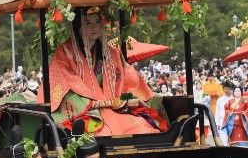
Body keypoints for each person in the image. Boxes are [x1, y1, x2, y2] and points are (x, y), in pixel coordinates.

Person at [43, 8, 166, 136]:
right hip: (86, 112)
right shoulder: (64, 53)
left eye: (97, 21)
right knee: (102, 132)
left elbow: (127, 79)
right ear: (77, 27)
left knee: (141, 126)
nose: (94, 27)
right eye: (87, 23)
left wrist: (125, 99)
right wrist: (97, 103)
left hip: (113, 107)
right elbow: (63, 87)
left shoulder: (111, 52)